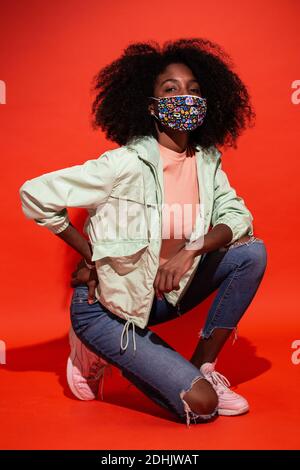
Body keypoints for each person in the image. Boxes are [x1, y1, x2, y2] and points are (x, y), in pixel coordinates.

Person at [19, 38, 267, 427]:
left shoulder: (206, 162)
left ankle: (202, 367)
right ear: (151, 107)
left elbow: (238, 216)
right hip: (105, 310)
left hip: (158, 298)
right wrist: (90, 254)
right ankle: (91, 349)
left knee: (251, 253)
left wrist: (192, 250)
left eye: (194, 91)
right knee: (201, 408)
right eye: (171, 90)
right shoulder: (123, 165)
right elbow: (35, 193)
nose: (185, 98)